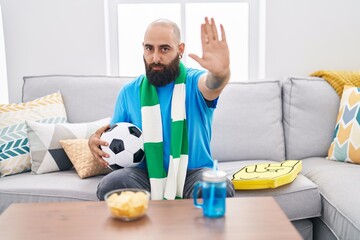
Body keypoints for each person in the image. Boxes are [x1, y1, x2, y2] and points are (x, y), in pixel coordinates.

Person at [89, 17, 235, 200]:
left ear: (180, 50)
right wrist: (95, 145)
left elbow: (212, 85)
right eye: (149, 48)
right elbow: (114, 143)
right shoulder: (129, 92)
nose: (155, 58)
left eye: (164, 49)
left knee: (216, 187)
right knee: (111, 184)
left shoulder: (193, 83)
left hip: (192, 174)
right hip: (145, 176)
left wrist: (221, 73)